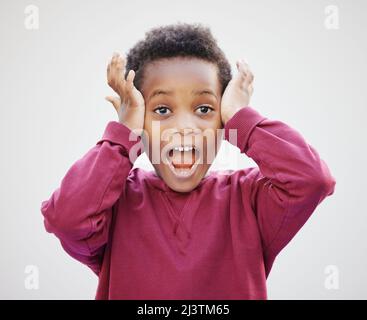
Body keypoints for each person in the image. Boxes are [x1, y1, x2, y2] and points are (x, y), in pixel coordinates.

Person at [40, 22, 336, 299]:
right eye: (162, 110)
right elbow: (66, 218)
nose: (184, 126)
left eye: (205, 108)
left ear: (224, 123)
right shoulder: (112, 203)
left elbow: (311, 180)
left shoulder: (250, 200)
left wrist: (242, 120)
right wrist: (123, 136)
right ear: (139, 120)